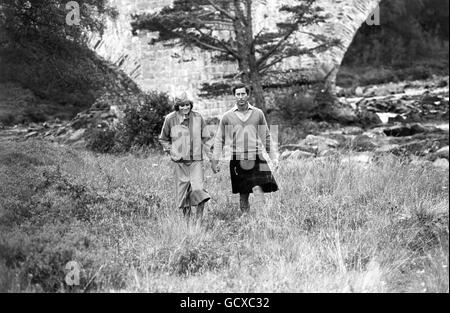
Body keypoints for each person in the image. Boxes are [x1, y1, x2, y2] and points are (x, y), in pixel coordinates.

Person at [211, 84, 279, 213]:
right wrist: (214, 161)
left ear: (247, 95)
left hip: (257, 156)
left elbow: (266, 136)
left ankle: (262, 220)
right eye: (238, 94)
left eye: (243, 94)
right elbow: (220, 139)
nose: (241, 97)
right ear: (234, 96)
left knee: (258, 189)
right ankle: (246, 221)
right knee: (243, 193)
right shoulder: (227, 116)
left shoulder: (258, 113)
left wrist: (274, 158)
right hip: (238, 158)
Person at [159, 93, 212, 223]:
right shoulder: (170, 119)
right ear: (177, 106)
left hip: (196, 160)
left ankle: (199, 221)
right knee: (183, 193)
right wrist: (172, 151)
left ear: (190, 105)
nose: (185, 107)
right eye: (182, 105)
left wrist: (212, 158)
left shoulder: (198, 117)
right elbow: (163, 139)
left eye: (187, 104)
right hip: (180, 163)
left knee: (198, 189)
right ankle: (188, 223)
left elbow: (206, 139)